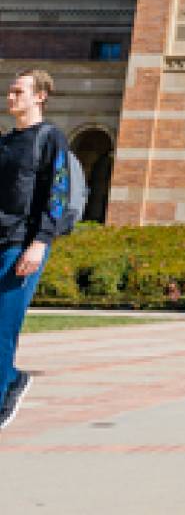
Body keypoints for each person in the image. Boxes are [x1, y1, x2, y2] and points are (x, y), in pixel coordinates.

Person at [0, 68, 72, 431]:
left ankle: (4, 389)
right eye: (10, 92)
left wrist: (41, 242)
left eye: (18, 91)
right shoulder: (6, 142)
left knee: (3, 325)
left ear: (40, 96)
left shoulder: (49, 138)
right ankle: (12, 377)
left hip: (22, 244)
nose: (11, 97)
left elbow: (57, 194)